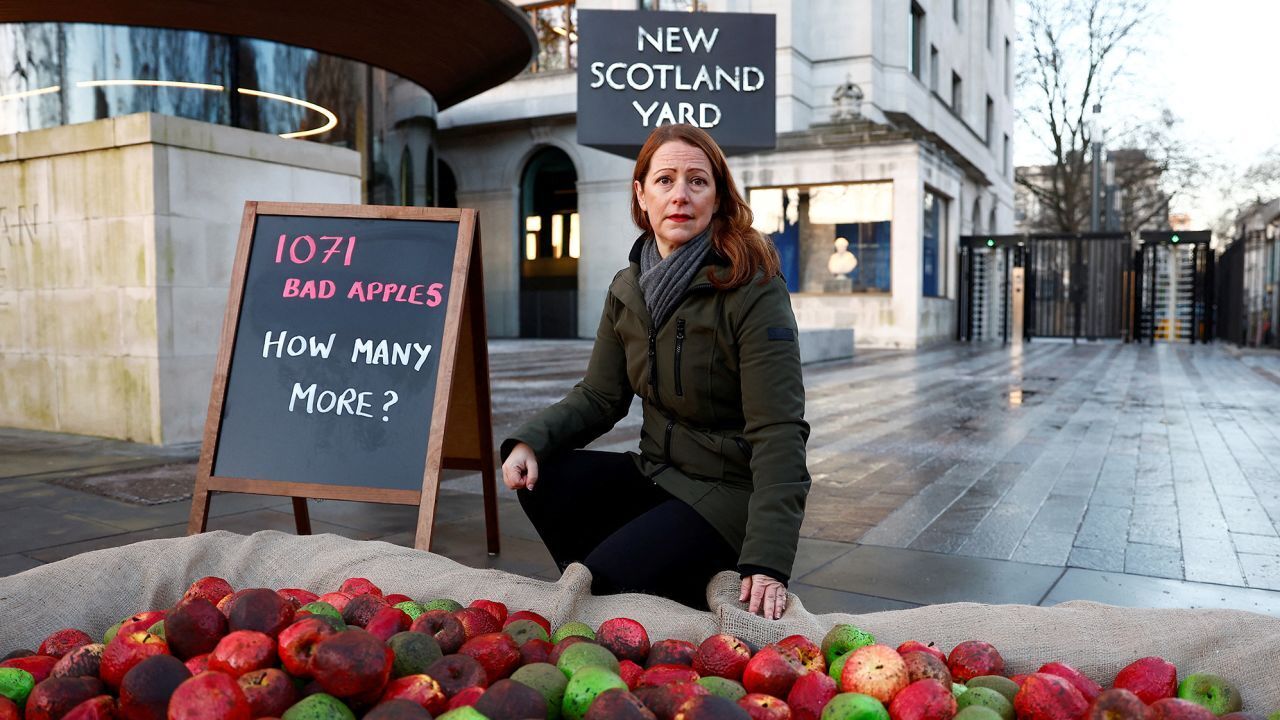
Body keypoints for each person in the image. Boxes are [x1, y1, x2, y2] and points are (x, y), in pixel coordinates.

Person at [500, 124, 810, 620]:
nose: (680, 195)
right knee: (545, 479)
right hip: (658, 474)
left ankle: (648, 581)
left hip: (728, 493)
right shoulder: (629, 286)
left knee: (602, 587)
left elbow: (779, 430)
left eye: (697, 181)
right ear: (642, 195)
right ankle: (645, 578)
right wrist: (530, 442)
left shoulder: (752, 286)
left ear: (717, 197)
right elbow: (600, 396)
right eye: (665, 180)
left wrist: (769, 560)